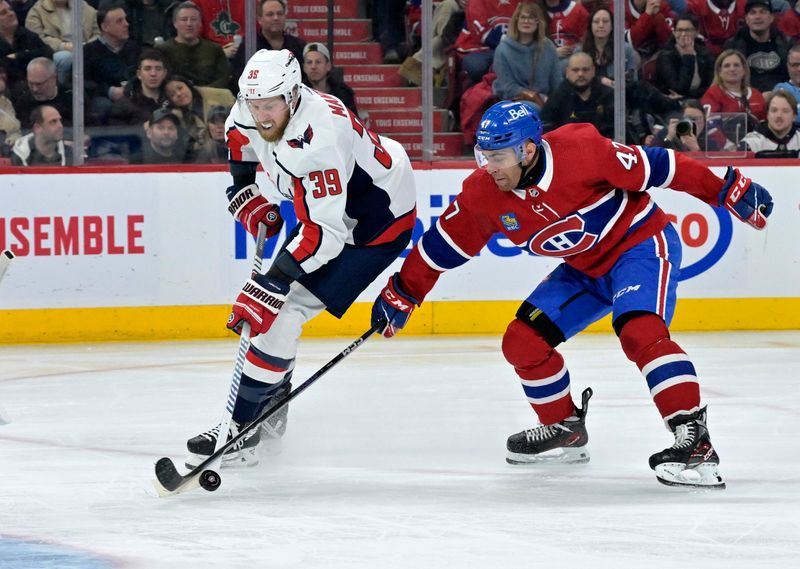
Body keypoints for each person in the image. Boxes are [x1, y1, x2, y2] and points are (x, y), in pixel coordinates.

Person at [370, 100, 774, 489]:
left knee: (639, 331)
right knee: (522, 343)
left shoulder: (581, 151)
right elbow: (440, 246)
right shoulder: (483, 195)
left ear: (528, 149)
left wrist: (725, 190)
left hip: (641, 244)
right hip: (584, 270)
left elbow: (663, 167)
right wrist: (404, 291)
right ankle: (565, 429)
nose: (488, 167)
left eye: (498, 157)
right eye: (483, 156)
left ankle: (694, 442)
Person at [184, 49, 417, 468]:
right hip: (325, 212)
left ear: (293, 96)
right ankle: (266, 421)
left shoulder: (320, 136)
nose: (260, 114)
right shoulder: (252, 104)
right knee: (275, 312)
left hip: (372, 225)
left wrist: (270, 282)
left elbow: (326, 235)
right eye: (253, 104)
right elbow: (239, 138)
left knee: (280, 312)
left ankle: (242, 430)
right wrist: (242, 191)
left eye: (269, 105)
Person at [491, 1, 561, 108]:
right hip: (514, 100)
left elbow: (556, 81)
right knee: (533, 108)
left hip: (546, 99)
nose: (526, 21)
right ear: (516, 20)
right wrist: (536, 98)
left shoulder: (548, 46)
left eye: (531, 18)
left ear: (538, 22)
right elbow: (508, 87)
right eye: (523, 17)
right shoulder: (503, 49)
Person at [230, 0, 306, 93]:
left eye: (280, 13)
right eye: (270, 14)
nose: (276, 18)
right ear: (259, 19)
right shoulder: (249, 46)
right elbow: (238, 82)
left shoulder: (299, 45)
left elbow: (306, 81)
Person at [83, 2, 141, 125]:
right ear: (105, 27)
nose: (126, 24)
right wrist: (109, 91)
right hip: (103, 100)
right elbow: (80, 82)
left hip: (132, 95)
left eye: (125, 19)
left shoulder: (134, 48)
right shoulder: (88, 52)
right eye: (119, 21)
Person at [155, 0, 230, 88]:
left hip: (210, 97)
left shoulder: (214, 50)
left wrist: (202, 92)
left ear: (200, 23)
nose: (189, 24)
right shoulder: (162, 50)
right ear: (175, 23)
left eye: (194, 19)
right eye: (184, 19)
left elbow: (223, 79)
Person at [701, 49, 767, 146]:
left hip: (755, 146)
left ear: (744, 69)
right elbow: (711, 126)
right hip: (725, 150)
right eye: (727, 66)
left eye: (736, 65)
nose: (732, 69)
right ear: (719, 71)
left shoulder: (756, 94)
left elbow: (764, 124)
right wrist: (729, 146)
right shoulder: (712, 94)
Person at [25, 0, 100, 85]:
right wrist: (63, 46)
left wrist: (87, 46)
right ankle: (62, 89)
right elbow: (36, 38)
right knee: (65, 57)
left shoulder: (84, 7)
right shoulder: (37, 11)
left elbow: (99, 32)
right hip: (56, 51)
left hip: (86, 47)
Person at [722, 0, 790, 93]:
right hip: (746, 97)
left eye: (763, 12)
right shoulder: (732, 46)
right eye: (753, 12)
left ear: (771, 17)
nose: (758, 17)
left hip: (781, 97)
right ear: (746, 19)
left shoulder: (786, 43)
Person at [540, 51, 614, 136]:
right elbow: (547, 129)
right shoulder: (557, 97)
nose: (580, 74)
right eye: (575, 70)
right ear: (567, 72)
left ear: (593, 71)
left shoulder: (607, 95)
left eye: (585, 70)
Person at [164, 73, 233, 162]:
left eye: (180, 88)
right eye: (172, 94)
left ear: (188, 85)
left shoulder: (222, 95)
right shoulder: (177, 118)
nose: (178, 94)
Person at [654, 13, 715, 100]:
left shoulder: (704, 53)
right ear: (674, 33)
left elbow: (711, 85)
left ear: (697, 32)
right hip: (673, 102)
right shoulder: (666, 56)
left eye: (687, 30)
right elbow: (678, 89)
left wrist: (688, 96)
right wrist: (688, 57)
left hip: (700, 99)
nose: (683, 34)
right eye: (679, 30)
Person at [578, 6, 638, 88]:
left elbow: (634, 81)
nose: (601, 25)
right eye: (596, 22)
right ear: (590, 26)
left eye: (605, 21)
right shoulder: (580, 51)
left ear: (612, 26)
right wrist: (600, 80)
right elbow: (575, 79)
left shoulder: (625, 49)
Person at [108, 48, 169, 126]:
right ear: (139, 74)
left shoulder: (174, 99)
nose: (153, 74)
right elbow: (118, 135)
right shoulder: (124, 106)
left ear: (164, 73)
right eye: (147, 69)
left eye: (158, 69)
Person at [0, 0, 53, 87]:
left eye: (11, 9)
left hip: (35, 84)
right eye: (3, 13)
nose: (11, 14)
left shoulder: (25, 33)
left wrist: (19, 56)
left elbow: (48, 52)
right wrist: (29, 57)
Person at [12, 56, 72, 129]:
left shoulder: (72, 98)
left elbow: (87, 128)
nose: (35, 89)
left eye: (39, 84)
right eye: (30, 83)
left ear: (54, 78)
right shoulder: (23, 101)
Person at [301, 42, 358, 116]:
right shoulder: (297, 93)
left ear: (328, 66)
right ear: (304, 68)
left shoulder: (343, 94)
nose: (313, 66)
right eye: (309, 62)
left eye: (318, 62)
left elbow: (353, 123)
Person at [651, 98, 725, 151]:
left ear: (704, 120)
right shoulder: (665, 133)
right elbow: (654, 156)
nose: (693, 123)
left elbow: (712, 167)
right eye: (689, 118)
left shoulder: (709, 141)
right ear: (681, 119)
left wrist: (696, 149)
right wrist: (668, 138)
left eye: (698, 118)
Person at [740, 89, 800, 153]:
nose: (779, 115)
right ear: (767, 114)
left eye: (785, 111)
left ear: (794, 116)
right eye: (774, 110)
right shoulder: (751, 143)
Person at [771, 44, 800, 124]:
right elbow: (784, 117)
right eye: (795, 65)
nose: (799, 69)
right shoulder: (781, 89)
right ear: (788, 67)